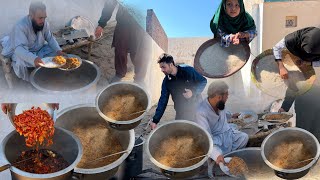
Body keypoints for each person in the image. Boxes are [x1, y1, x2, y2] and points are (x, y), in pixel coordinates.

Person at [0, 1, 64, 81]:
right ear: (31, 14)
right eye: (40, 18)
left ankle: (46, 71)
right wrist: (33, 59)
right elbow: (19, 49)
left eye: (44, 17)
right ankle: (29, 80)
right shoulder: (20, 26)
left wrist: (58, 50)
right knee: (20, 61)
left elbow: (50, 38)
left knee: (54, 51)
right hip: (20, 50)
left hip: (37, 48)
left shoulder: (44, 24)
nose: (43, 21)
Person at [194, 80, 248, 165]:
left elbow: (224, 112)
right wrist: (216, 155)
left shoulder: (219, 103)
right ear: (219, 97)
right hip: (215, 140)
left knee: (244, 137)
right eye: (226, 95)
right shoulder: (201, 112)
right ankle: (221, 158)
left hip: (228, 133)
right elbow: (207, 138)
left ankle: (229, 157)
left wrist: (232, 115)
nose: (227, 97)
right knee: (217, 153)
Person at [94, 0, 147, 84]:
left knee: (139, 53)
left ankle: (139, 77)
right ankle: (119, 74)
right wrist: (101, 24)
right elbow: (110, 4)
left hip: (140, 24)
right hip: (123, 23)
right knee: (120, 50)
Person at [149, 54, 207, 129]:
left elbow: (203, 81)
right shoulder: (166, 82)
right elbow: (163, 101)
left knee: (198, 133)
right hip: (181, 112)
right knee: (180, 134)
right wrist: (155, 120)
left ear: (171, 65)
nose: (162, 70)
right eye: (161, 68)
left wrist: (193, 92)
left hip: (196, 109)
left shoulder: (188, 70)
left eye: (163, 67)